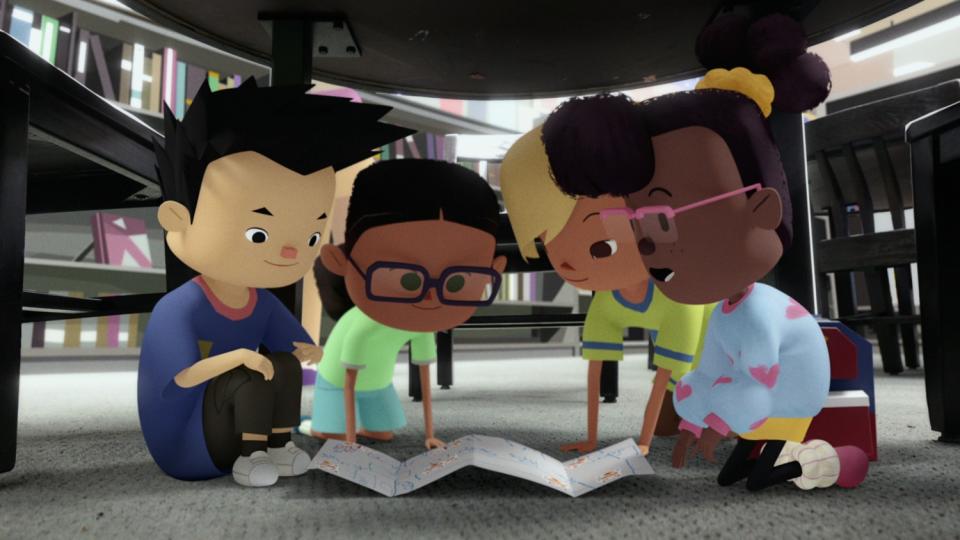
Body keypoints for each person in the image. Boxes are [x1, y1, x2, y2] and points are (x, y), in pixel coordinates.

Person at [543, 14, 868, 490]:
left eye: (662, 223)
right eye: (641, 229)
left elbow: (759, 373)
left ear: (762, 208)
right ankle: (774, 455)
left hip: (790, 401)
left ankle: (830, 461)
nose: (655, 252)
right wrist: (696, 414)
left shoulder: (758, 311)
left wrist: (716, 410)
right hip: (758, 403)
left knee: (757, 477)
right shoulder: (727, 310)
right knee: (731, 475)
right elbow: (713, 365)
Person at [138, 78, 411, 487]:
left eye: (311, 237)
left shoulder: (260, 301)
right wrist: (239, 359)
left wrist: (315, 351)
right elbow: (179, 381)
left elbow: (296, 349)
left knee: (278, 364)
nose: (291, 253)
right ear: (177, 218)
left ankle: (278, 446)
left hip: (238, 420)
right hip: (189, 442)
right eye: (259, 234)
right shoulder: (179, 307)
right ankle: (251, 456)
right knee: (250, 372)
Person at [500, 123, 713, 456]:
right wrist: (591, 439)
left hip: (714, 337)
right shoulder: (606, 298)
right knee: (675, 410)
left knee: (691, 403)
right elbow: (595, 369)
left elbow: (665, 375)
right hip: (675, 335)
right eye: (550, 244)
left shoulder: (680, 294)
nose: (567, 266)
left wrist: (643, 443)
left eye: (601, 247)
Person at [308, 159, 506, 448]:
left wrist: (430, 434)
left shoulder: (422, 324)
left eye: (457, 282)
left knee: (382, 434)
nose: (431, 298)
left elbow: (425, 374)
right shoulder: (363, 327)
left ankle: (348, 426)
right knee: (333, 436)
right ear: (341, 262)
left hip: (377, 384)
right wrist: (349, 443)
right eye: (406, 280)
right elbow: (348, 382)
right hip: (336, 385)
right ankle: (315, 426)